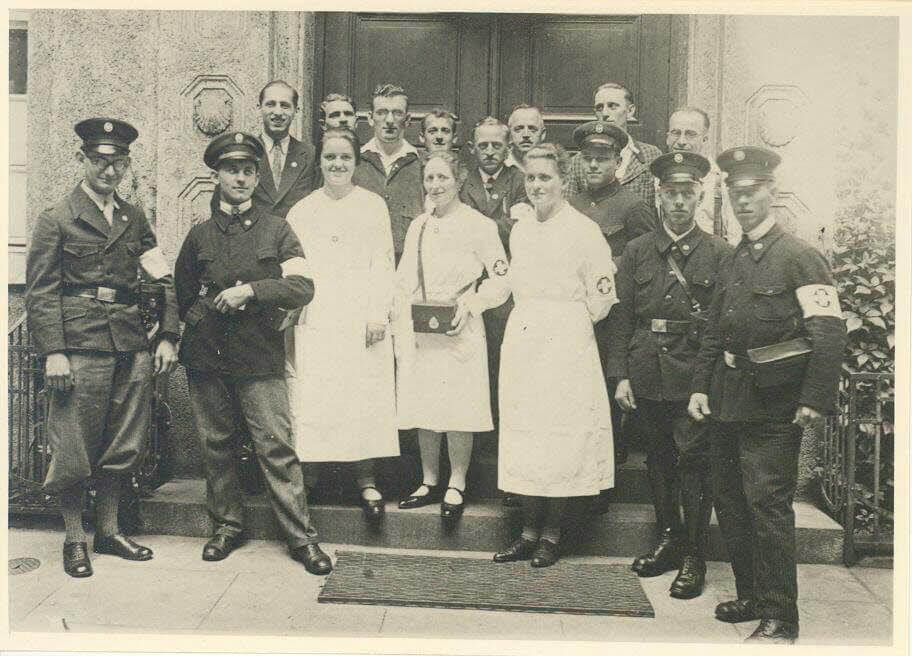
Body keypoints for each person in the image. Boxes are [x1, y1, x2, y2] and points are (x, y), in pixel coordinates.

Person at [687, 146, 846, 643]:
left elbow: (828, 332)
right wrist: (698, 386)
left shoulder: (800, 257)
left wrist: (813, 400)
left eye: (751, 191)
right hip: (728, 400)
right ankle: (752, 595)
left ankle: (781, 616)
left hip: (775, 406)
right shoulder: (734, 257)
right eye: (734, 192)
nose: (743, 200)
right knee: (731, 504)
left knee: (769, 508)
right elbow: (715, 330)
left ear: (771, 193)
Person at [25, 117, 179, 577]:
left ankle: (108, 533)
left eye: (118, 163)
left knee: (122, 443)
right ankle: (75, 539)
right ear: (83, 160)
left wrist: (168, 333)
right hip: (80, 346)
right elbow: (40, 291)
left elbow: (162, 277)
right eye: (100, 161)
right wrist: (54, 350)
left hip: (129, 344)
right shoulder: (57, 218)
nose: (109, 172)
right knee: (74, 445)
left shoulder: (133, 218)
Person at [174, 131, 332, 575]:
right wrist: (203, 316)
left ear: (258, 176)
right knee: (216, 445)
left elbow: (303, 287)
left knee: (276, 445)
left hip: (258, 355)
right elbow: (182, 291)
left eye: (247, 170)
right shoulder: (200, 234)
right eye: (231, 170)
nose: (240, 178)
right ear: (217, 175)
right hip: (207, 355)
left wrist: (252, 292)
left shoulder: (276, 229)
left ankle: (302, 538)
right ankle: (226, 526)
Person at [606, 151, 732, 599]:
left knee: (695, 462)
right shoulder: (638, 251)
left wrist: (705, 380)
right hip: (647, 370)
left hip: (695, 371)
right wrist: (620, 374)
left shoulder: (719, 252)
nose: (678, 202)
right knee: (658, 459)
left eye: (686, 194)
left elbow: (722, 322)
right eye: (670, 194)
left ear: (699, 196)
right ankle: (668, 539)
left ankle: (695, 554)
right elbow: (622, 318)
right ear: (659, 197)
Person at [494, 143, 617, 567]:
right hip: (526, 337)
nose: (536, 185)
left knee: (561, 435)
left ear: (564, 181)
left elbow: (602, 295)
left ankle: (552, 534)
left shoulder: (584, 230)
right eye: (530, 178)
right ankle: (527, 531)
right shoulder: (521, 229)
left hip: (566, 344)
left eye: (545, 177)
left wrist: (568, 327)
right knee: (527, 432)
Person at [285, 128, 399, 523]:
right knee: (317, 396)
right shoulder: (302, 210)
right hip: (317, 316)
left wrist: (377, 314)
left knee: (361, 396)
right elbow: (294, 266)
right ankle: (310, 477)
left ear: (355, 163)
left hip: (359, 319)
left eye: (345, 158)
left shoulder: (372, 206)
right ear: (320, 162)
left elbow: (383, 262)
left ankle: (366, 479)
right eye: (330, 157)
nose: (337, 164)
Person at [395, 151, 510, 519]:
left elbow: (502, 279)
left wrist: (473, 304)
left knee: (459, 407)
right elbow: (403, 279)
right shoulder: (420, 226)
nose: (435, 186)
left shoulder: (479, 225)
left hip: (461, 326)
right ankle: (429, 480)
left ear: (459, 181)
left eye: (442, 178)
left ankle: (456, 482)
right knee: (426, 404)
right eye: (429, 178)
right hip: (424, 326)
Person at [568, 121, 657, 470]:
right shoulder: (569, 205)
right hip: (576, 318)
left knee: (604, 397)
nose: (593, 165)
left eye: (602, 159)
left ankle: (605, 475)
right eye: (588, 158)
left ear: (617, 162)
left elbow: (647, 264)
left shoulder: (633, 207)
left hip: (614, 320)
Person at [353, 83, 425, 263]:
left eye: (397, 113)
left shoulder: (422, 163)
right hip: (362, 263)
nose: (390, 120)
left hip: (408, 264)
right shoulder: (354, 162)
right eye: (382, 112)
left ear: (408, 120)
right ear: (370, 118)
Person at [568, 82, 662, 210]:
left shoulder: (651, 155)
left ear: (630, 111)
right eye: (599, 108)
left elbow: (660, 205)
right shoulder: (579, 161)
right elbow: (568, 210)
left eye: (613, 106)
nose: (605, 113)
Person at [252, 80, 317, 218]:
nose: (278, 112)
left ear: (296, 111)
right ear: (259, 108)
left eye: (285, 106)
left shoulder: (310, 155)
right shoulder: (247, 151)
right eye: (270, 104)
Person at [664, 107, 723, 235]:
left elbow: (734, 234)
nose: (681, 142)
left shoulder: (719, 179)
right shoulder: (658, 177)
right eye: (676, 133)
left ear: (705, 139)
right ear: (667, 137)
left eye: (690, 134)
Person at [505, 104, 547, 173]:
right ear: (510, 135)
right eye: (518, 129)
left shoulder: (552, 165)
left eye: (532, 129)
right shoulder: (500, 165)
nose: (526, 135)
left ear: (542, 134)